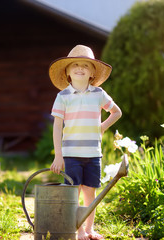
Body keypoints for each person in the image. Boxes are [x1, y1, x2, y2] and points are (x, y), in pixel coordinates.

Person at [49, 45, 122, 240]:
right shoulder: (62, 97)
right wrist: (58, 155)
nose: (80, 68)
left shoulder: (99, 94)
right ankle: (78, 231)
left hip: (93, 154)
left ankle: (89, 230)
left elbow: (116, 112)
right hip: (71, 154)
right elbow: (57, 127)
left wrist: (103, 126)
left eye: (85, 65)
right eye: (75, 64)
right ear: (67, 72)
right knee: (74, 193)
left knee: (90, 193)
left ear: (92, 73)